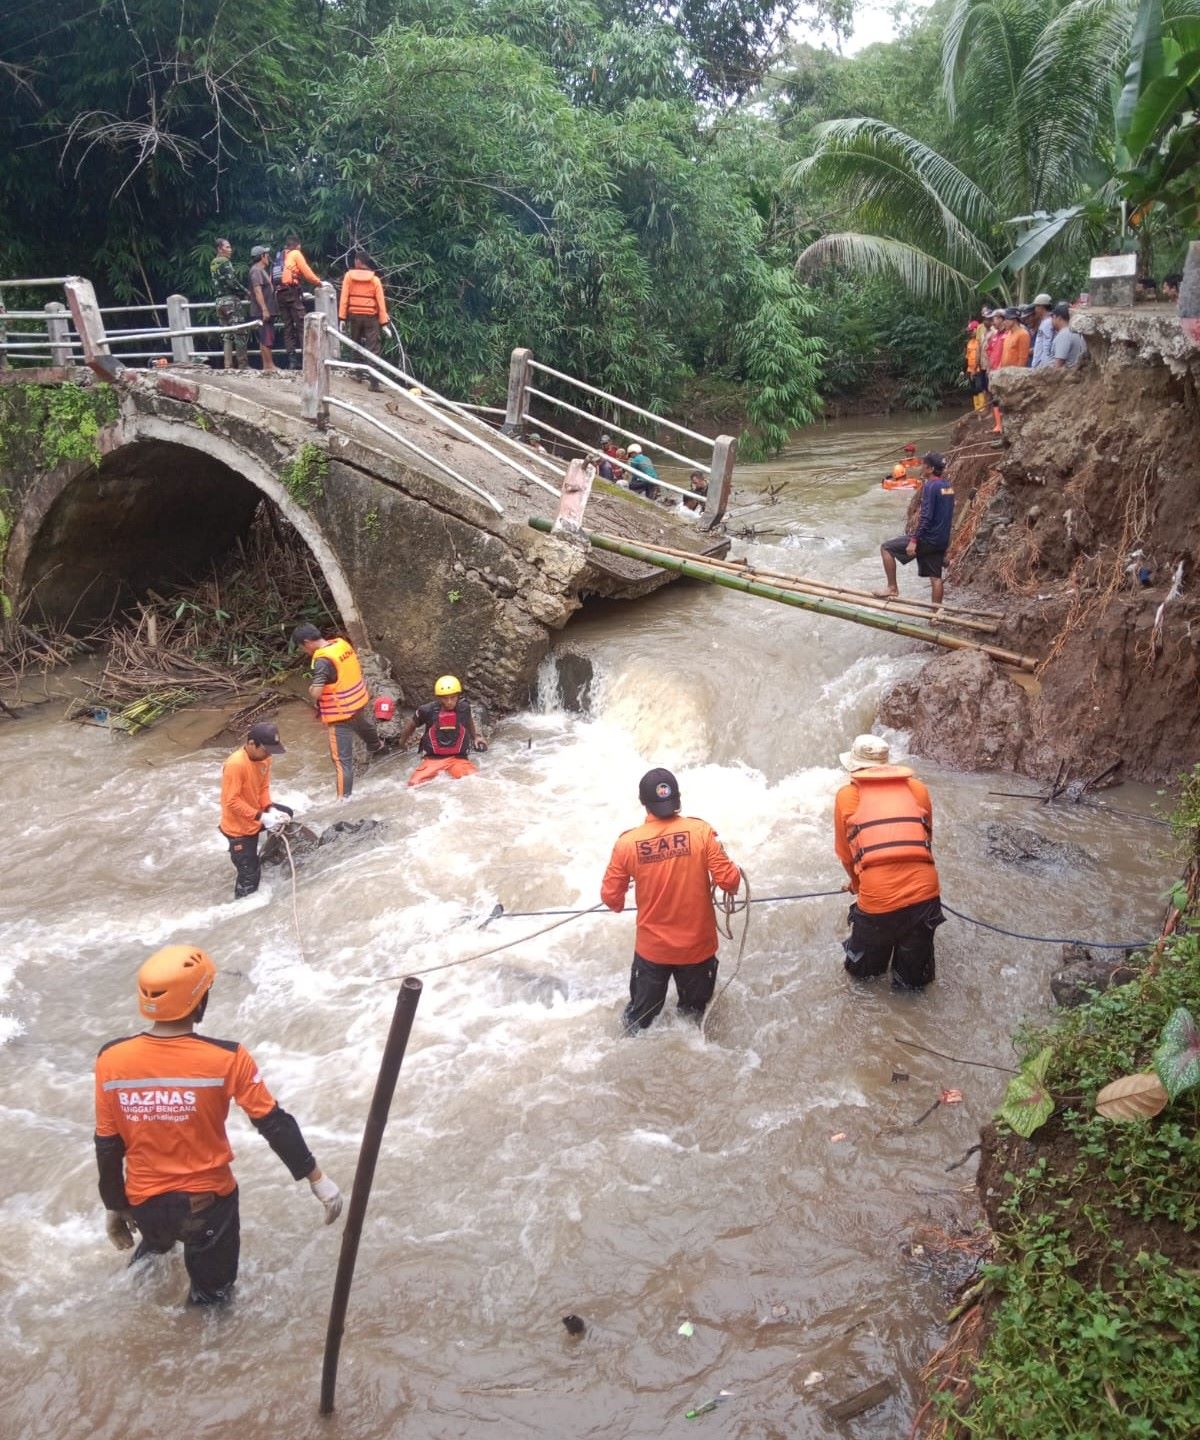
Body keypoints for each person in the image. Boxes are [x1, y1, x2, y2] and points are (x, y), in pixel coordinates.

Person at [94, 944, 343, 1305]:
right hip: (206, 1206)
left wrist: (114, 1205)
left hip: (144, 1204)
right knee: (212, 1303)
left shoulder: (110, 1059)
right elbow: (273, 1123)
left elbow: (107, 1141)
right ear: (198, 1001)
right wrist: (317, 1180)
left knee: (152, 1259)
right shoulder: (227, 1058)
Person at [602, 768, 741, 1033]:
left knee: (638, 1025)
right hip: (697, 948)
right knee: (693, 1022)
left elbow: (611, 899)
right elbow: (730, 882)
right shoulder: (701, 832)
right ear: (678, 798)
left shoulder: (627, 844)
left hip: (653, 951)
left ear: (643, 802)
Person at [833, 735, 943, 990]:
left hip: (877, 899)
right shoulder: (918, 790)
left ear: (855, 765)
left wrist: (857, 885)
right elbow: (925, 841)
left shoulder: (847, 796)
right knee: (913, 985)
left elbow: (846, 855)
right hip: (925, 896)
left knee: (862, 979)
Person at [291, 622, 384, 798]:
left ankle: (343, 800)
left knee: (342, 762)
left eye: (302, 647)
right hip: (357, 702)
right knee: (362, 724)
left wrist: (311, 689)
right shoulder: (341, 645)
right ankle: (377, 746)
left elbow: (317, 692)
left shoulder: (322, 661)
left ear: (307, 642)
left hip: (340, 714)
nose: (304, 651)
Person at [218, 721, 293, 898]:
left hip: (257, 813)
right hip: (239, 828)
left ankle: (269, 855)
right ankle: (240, 910)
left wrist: (271, 809)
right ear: (251, 744)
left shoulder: (265, 758)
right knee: (250, 876)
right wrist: (261, 817)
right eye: (265, 749)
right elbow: (231, 801)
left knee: (286, 814)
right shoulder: (236, 764)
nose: (268, 754)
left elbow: (263, 788)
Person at [877, 451, 955, 606]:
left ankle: (892, 587)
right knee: (936, 577)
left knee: (886, 548)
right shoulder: (948, 487)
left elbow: (926, 517)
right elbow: (948, 512)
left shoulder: (930, 486)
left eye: (924, 465)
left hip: (928, 538)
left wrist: (914, 540)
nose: (922, 467)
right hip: (941, 540)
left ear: (931, 469)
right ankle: (936, 614)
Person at [396, 674, 487, 787]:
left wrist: (476, 736)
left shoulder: (464, 708)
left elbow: (468, 721)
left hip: (457, 758)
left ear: (458, 696)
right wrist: (402, 742)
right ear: (438, 697)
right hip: (433, 759)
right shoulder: (426, 710)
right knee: (413, 785)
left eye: (453, 697)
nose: (449, 702)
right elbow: (411, 724)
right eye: (445, 698)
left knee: (475, 782)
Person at [338, 251, 389, 386]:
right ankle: (374, 382)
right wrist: (384, 323)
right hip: (371, 317)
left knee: (356, 344)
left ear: (357, 262)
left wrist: (342, 318)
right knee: (373, 347)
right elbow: (381, 303)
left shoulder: (348, 277)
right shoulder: (375, 280)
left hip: (354, 315)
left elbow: (344, 298)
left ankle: (358, 375)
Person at [277, 235, 322, 370]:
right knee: (302, 324)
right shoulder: (296, 254)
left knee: (288, 327)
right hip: (291, 292)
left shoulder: (281, 255)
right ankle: (307, 361)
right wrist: (319, 283)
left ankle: (292, 361)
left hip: (279, 293)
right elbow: (307, 273)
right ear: (298, 245)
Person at [209, 239, 248, 371]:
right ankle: (242, 365)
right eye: (227, 247)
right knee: (239, 332)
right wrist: (246, 292)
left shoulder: (213, 263)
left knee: (226, 335)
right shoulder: (225, 262)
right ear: (220, 249)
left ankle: (228, 365)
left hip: (219, 301)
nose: (230, 249)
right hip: (230, 301)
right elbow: (232, 282)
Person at [248, 245, 279, 375]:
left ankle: (267, 365)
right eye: (267, 255)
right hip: (262, 310)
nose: (268, 257)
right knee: (266, 336)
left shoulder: (261, 270)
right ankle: (269, 365)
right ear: (262, 256)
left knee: (265, 337)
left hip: (265, 309)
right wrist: (264, 309)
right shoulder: (256, 271)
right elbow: (257, 290)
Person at [1050, 302, 1087, 368]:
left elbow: (1058, 364)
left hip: (1060, 376)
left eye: (1053, 317)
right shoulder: (1073, 332)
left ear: (1059, 318)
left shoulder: (1064, 335)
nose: (1052, 320)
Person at [1029, 294, 1055, 370]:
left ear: (1042, 307)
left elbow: (1047, 345)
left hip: (1042, 364)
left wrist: (1043, 365)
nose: (1035, 309)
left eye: (1036, 306)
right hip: (1038, 363)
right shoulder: (1044, 321)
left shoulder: (1048, 322)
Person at [965, 320, 986, 412]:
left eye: (971, 331)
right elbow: (967, 357)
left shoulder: (980, 342)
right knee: (973, 389)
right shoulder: (969, 342)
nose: (970, 333)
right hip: (970, 369)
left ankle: (982, 408)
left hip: (978, 369)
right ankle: (976, 408)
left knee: (979, 388)